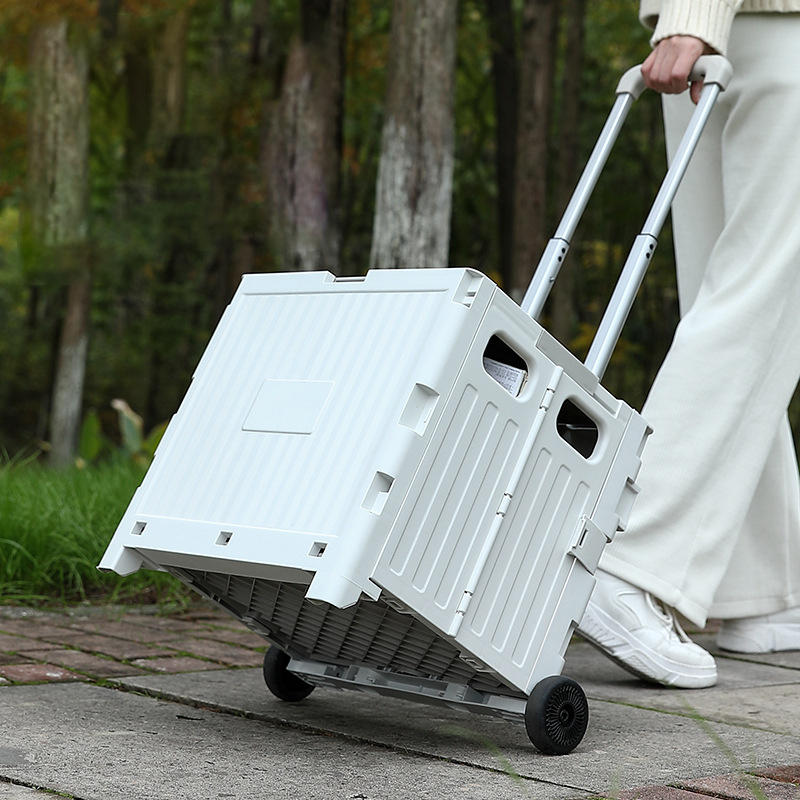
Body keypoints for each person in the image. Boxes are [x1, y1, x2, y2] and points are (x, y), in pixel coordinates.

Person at [576, 0, 800, 688]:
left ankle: (757, 593)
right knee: (761, 303)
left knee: (728, 299)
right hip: (773, 32)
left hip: (722, 34)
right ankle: (631, 560)